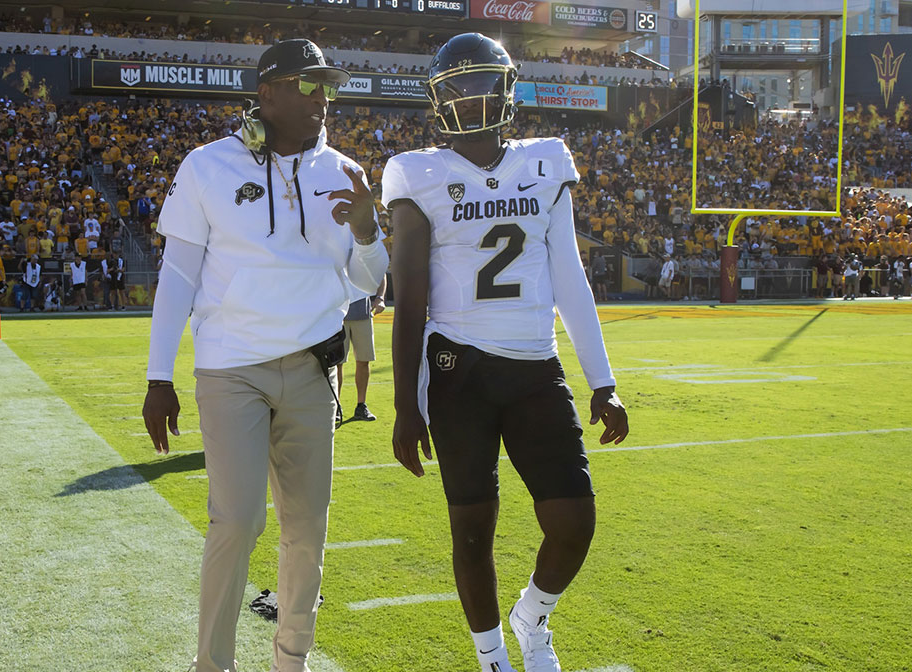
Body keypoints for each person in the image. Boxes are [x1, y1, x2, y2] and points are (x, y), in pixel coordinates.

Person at [141, 39, 387, 672]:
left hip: (313, 369)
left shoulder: (345, 170)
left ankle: (291, 662)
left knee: (307, 533)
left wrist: (366, 229)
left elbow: (372, 282)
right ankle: (213, 665)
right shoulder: (207, 165)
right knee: (238, 519)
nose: (321, 99)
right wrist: (157, 375)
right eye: (308, 85)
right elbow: (177, 275)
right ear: (267, 91)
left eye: (327, 87)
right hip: (232, 370)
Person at [386, 33, 630, 672]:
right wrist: (405, 406)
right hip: (457, 368)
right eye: (458, 87)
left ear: (506, 88)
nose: (471, 98)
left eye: (482, 83)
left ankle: (533, 616)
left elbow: (570, 276)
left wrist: (602, 380)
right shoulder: (417, 172)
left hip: (533, 365)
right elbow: (409, 301)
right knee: (473, 528)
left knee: (574, 522)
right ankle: (491, 655)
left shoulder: (547, 160)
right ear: (440, 101)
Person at [336, 278, 386, 422]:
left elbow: (380, 272)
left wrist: (380, 298)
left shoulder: (364, 255)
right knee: (337, 363)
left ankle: (361, 406)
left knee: (364, 361)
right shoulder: (337, 254)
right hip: (338, 316)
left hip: (363, 314)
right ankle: (336, 406)